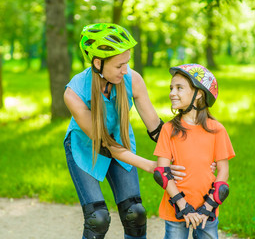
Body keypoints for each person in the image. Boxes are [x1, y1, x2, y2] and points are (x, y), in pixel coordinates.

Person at [63, 23, 217, 239]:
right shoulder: (74, 93)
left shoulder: (132, 79)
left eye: (126, 63)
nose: (125, 70)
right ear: (98, 63)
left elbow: (156, 128)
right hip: (85, 147)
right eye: (119, 66)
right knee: (97, 219)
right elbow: (106, 144)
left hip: (120, 142)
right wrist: (153, 166)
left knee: (135, 214)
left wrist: (197, 156)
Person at [153, 64, 235, 239]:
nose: (172, 93)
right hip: (176, 208)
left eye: (179, 88)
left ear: (199, 93)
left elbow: (224, 172)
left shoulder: (217, 130)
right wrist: (184, 207)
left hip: (208, 211)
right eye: (171, 88)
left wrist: (207, 208)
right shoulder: (169, 129)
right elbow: (162, 173)